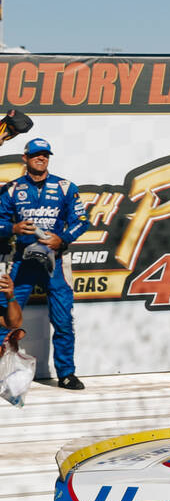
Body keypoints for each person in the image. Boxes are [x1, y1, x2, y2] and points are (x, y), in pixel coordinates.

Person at [0, 138, 90, 390]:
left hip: (55, 261)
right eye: (36, 155)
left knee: (62, 320)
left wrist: (63, 238)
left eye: (45, 155)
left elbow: (82, 220)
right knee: (4, 315)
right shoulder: (11, 189)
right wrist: (12, 227)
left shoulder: (65, 187)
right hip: (21, 260)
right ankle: (1, 374)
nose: (41, 158)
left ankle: (66, 373)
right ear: (25, 158)